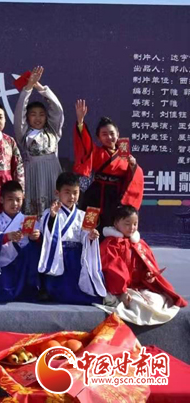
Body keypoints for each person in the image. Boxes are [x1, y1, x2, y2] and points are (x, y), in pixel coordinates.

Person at [98, 205, 187, 325]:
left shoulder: (140, 244)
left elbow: (147, 266)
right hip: (118, 289)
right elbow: (113, 270)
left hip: (139, 288)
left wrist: (148, 275)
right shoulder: (110, 245)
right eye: (127, 224)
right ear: (116, 223)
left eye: (135, 224)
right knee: (137, 307)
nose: (132, 228)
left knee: (159, 301)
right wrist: (122, 292)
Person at [73, 100, 144, 231]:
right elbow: (85, 143)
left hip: (115, 196)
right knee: (89, 227)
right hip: (95, 195)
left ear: (118, 134)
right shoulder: (96, 152)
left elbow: (135, 177)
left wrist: (133, 166)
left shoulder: (125, 155)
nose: (109, 137)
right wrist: (80, 121)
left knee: (112, 228)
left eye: (112, 133)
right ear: (98, 138)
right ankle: (88, 244)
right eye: (104, 134)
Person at [38, 172, 106, 305]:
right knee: (60, 288)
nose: (72, 197)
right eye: (67, 192)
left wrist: (90, 236)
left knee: (80, 287)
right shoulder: (50, 212)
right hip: (58, 255)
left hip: (76, 257)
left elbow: (85, 235)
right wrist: (52, 217)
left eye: (75, 192)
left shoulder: (83, 215)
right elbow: (46, 233)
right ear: (57, 193)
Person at [13, 66, 64, 217]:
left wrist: (39, 87)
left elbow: (58, 110)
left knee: (54, 212)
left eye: (41, 114)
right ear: (27, 117)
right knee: (34, 215)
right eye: (33, 114)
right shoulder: (24, 134)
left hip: (53, 175)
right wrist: (28, 88)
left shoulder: (53, 131)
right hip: (32, 176)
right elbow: (19, 113)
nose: (38, 118)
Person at [0, 181, 42, 302]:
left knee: (33, 250)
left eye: (18, 200)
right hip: (4, 264)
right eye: (10, 199)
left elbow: (40, 238)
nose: (15, 204)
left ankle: (32, 287)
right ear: (2, 200)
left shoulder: (28, 220)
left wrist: (35, 237)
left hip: (24, 263)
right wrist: (7, 236)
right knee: (2, 293)